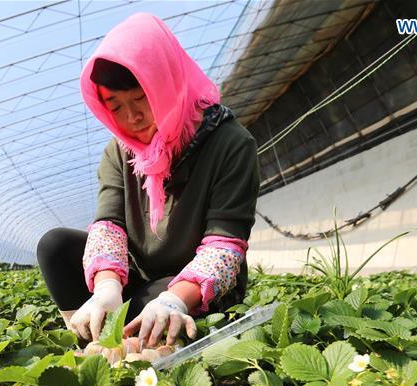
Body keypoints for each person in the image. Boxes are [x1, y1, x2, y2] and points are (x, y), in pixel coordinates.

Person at [36, 13, 259, 348]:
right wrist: (107, 288)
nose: (131, 117)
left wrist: (175, 300)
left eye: (141, 98)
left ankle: (141, 340)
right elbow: (108, 224)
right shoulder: (120, 150)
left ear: (165, 82)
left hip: (197, 290)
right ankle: (92, 343)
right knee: (55, 247)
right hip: (144, 278)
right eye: (116, 106)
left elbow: (224, 246)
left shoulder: (230, 144)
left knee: (150, 305)